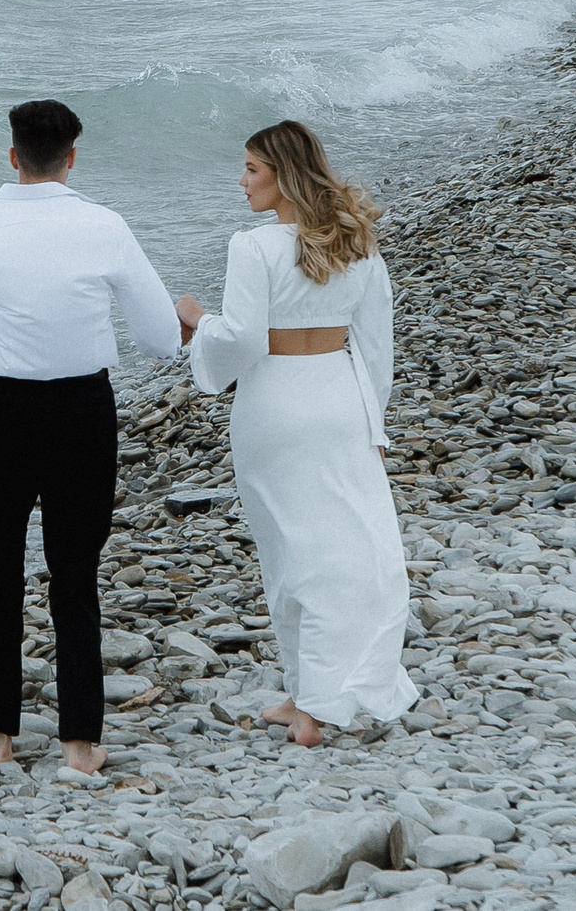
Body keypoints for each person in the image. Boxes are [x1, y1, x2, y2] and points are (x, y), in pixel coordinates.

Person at [0, 99, 182, 775]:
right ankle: (80, 742)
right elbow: (158, 337)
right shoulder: (104, 225)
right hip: (82, 410)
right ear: (72, 158)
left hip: (5, 411)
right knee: (74, 573)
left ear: (13, 155)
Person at [174, 120, 417, 748]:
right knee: (345, 546)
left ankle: (314, 707)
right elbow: (376, 344)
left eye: (252, 169)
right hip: (339, 398)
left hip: (276, 406)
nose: (242, 181)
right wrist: (374, 421)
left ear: (282, 176)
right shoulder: (355, 239)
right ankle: (307, 690)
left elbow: (244, 340)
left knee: (289, 549)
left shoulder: (253, 247)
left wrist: (197, 320)